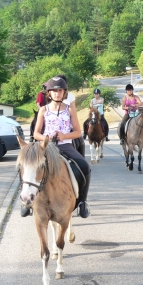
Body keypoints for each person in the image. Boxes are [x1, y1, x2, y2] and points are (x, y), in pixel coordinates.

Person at [34, 76, 91, 218]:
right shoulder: (43, 110)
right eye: (53, 91)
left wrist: (64, 136)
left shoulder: (70, 110)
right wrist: (47, 139)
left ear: (64, 92)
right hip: (46, 147)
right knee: (28, 166)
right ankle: (27, 202)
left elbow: (78, 132)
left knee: (85, 166)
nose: (57, 93)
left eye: (60, 90)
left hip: (65, 146)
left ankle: (82, 202)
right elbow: (36, 133)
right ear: (49, 93)